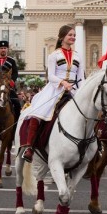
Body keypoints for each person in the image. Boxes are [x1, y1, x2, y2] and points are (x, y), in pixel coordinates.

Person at [22, 25, 85, 162]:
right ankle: (29, 148)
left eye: (74, 35)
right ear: (62, 37)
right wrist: (63, 82)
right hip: (55, 90)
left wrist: (82, 92)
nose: (73, 37)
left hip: (73, 90)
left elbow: (81, 77)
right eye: (70, 35)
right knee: (38, 113)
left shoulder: (78, 56)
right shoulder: (54, 55)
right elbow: (50, 76)